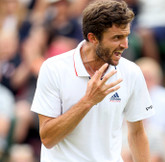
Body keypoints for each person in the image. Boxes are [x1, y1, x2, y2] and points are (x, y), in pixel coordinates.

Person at [30, 0, 155, 161]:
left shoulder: (132, 72)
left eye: (126, 36)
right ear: (93, 38)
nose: (125, 44)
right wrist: (88, 101)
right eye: (117, 37)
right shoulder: (53, 68)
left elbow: (137, 133)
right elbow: (48, 138)